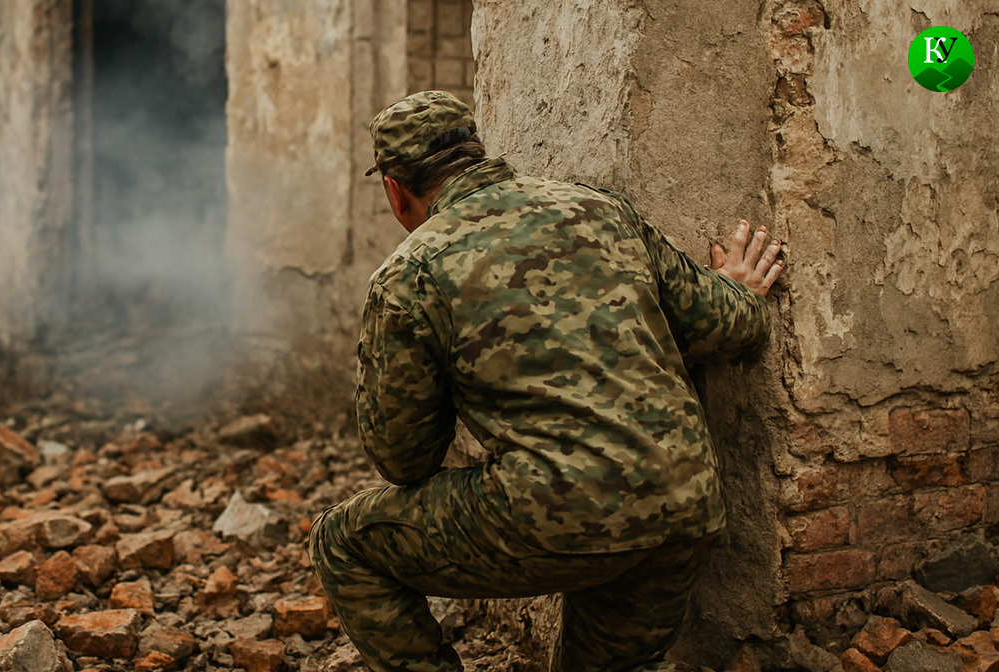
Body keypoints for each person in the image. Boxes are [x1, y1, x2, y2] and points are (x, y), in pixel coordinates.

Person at [308, 90, 784, 672]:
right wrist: (738, 289)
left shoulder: (409, 274)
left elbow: (402, 461)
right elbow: (731, 326)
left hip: (559, 518)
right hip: (681, 506)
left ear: (394, 190)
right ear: (477, 153)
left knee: (342, 541)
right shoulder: (600, 209)